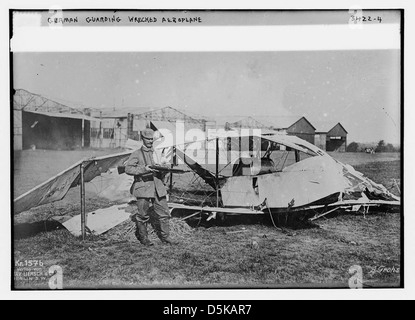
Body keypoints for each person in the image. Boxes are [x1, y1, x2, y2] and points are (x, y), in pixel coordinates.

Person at [125, 128, 178, 246]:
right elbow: (128, 169)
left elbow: (164, 163)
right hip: (143, 187)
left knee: (164, 213)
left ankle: (166, 237)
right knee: (143, 215)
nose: (150, 141)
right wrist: (144, 169)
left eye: (151, 139)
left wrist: (165, 166)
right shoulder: (136, 153)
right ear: (142, 139)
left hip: (158, 187)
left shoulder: (157, 152)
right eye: (147, 139)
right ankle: (143, 238)